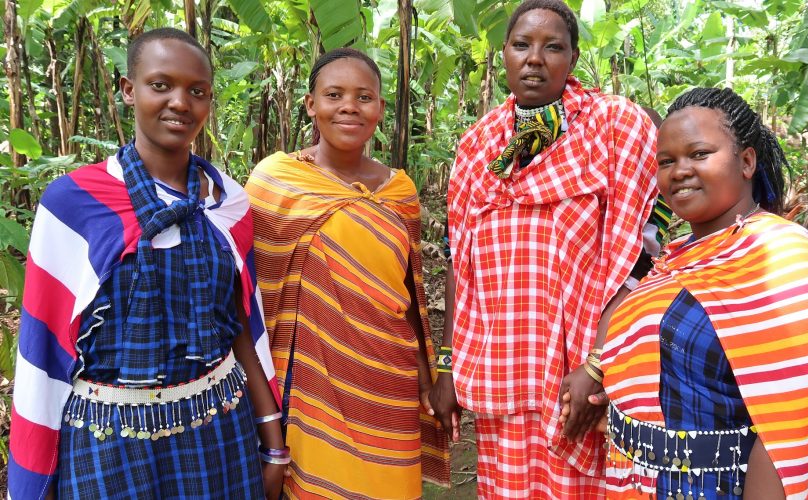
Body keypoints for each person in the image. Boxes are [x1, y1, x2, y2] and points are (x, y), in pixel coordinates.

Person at [8, 28, 286, 499]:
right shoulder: (75, 204)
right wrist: (37, 483)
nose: (180, 102)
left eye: (196, 91)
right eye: (161, 85)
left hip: (221, 433)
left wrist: (274, 443)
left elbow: (241, 324)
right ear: (128, 89)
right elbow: (44, 351)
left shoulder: (227, 203)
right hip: (110, 449)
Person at [430, 0, 662, 496]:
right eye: (522, 45)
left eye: (552, 46)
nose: (535, 58)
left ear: (573, 59)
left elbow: (635, 257)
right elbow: (461, 265)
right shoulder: (478, 146)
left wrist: (598, 364)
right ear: (505, 55)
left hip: (582, 375)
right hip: (505, 369)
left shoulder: (614, 128)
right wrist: (447, 367)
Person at [596, 87, 808, 499]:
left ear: (746, 161)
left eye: (699, 154)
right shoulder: (679, 258)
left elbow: (787, 435)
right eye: (666, 161)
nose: (679, 171)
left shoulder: (785, 260)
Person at [245, 48, 450, 499]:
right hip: (311, 384)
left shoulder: (400, 191)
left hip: (387, 382)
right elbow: (249, 290)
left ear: (379, 108)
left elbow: (411, 293)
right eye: (334, 94)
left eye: (364, 97)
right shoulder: (275, 181)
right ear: (310, 104)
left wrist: (429, 378)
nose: (349, 107)